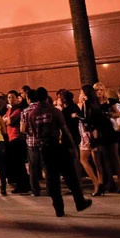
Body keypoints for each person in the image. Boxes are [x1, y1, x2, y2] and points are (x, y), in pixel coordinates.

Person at [26, 88, 92, 217]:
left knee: (52, 179)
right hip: (58, 146)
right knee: (70, 176)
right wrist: (73, 146)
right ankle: (79, 202)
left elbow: (33, 132)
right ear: (46, 97)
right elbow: (64, 129)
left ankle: (59, 209)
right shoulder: (55, 111)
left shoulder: (32, 114)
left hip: (44, 148)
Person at [3, 90, 30, 193]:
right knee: (16, 164)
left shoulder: (18, 110)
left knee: (19, 164)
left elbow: (9, 120)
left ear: (17, 98)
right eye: (9, 97)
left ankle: (23, 185)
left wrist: (7, 120)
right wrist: (6, 119)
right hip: (11, 138)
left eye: (12, 97)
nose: (10, 100)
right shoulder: (10, 109)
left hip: (17, 138)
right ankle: (21, 184)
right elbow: (4, 119)